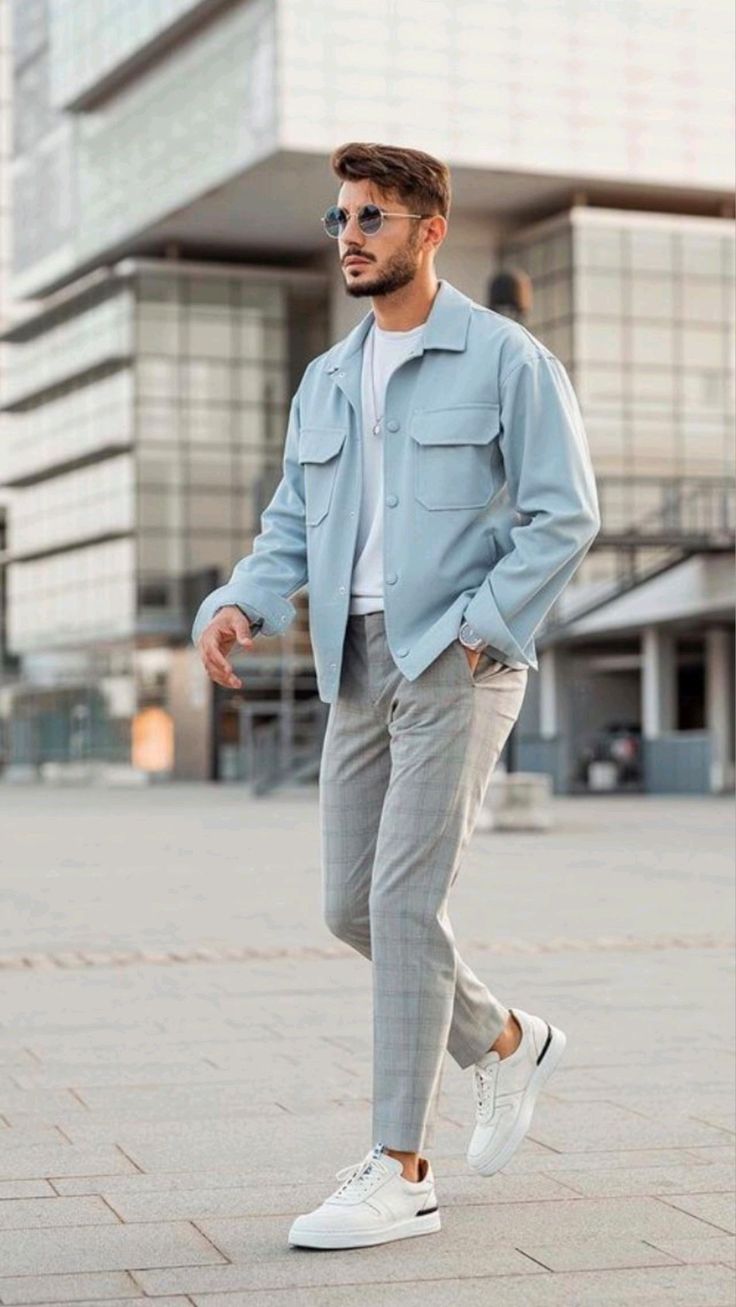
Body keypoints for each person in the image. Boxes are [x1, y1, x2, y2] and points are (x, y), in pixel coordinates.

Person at [192, 141, 601, 1250]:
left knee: (406, 904)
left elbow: (562, 514)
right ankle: (508, 1039)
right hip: (354, 665)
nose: (349, 235)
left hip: (458, 659)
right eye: (339, 218)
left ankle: (400, 1168)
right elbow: (292, 524)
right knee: (350, 904)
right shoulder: (327, 380)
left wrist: (479, 634)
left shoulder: (506, 359)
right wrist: (241, 599)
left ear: (429, 230)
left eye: (372, 216)